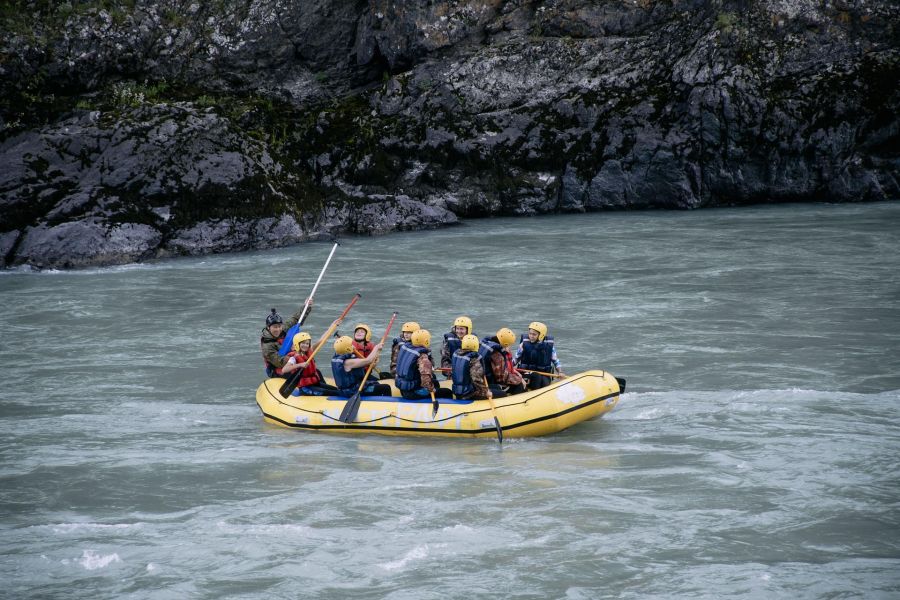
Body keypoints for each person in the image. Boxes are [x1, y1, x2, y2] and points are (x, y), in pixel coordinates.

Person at [260, 299, 314, 375]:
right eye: (275, 327)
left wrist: (307, 306)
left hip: (291, 358)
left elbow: (296, 319)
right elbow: (279, 362)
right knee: (300, 370)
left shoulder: (283, 329)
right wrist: (299, 358)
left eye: (279, 326)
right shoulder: (267, 346)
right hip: (277, 369)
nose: (278, 329)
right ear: (268, 328)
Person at [395, 329, 453, 400]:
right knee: (447, 392)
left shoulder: (406, 347)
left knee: (435, 383)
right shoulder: (422, 357)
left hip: (403, 389)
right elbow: (425, 379)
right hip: (414, 392)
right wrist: (432, 390)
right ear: (426, 341)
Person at [281, 331, 339, 396]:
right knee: (335, 393)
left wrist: (333, 325)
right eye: (303, 343)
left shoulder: (310, 351)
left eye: (307, 343)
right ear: (297, 344)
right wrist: (300, 365)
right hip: (306, 388)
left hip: (315, 383)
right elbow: (284, 369)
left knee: (337, 390)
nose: (305, 345)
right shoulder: (294, 358)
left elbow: (321, 341)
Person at [451, 334, 507, 400]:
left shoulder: (456, 354)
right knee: (502, 393)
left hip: (458, 391)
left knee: (497, 387)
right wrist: (486, 392)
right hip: (470, 394)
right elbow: (476, 379)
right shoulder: (473, 359)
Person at [513, 321, 566, 390]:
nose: (531, 336)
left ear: (541, 335)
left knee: (543, 382)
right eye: (530, 333)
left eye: (534, 334)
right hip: (526, 372)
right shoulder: (524, 344)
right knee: (535, 378)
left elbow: (555, 361)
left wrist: (560, 372)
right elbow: (516, 358)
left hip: (544, 373)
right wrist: (509, 367)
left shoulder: (549, 346)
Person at [481, 327, 526, 395]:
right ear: (505, 344)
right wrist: (520, 379)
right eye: (509, 345)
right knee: (519, 386)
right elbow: (502, 378)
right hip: (489, 382)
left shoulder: (486, 343)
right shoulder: (497, 354)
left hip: (483, 379)